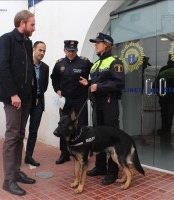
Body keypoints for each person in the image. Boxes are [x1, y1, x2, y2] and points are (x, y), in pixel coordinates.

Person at [0, 10, 36, 196]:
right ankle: (8, 180)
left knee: (20, 134)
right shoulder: (6, 39)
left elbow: (29, 71)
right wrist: (13, 93)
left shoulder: (28, 43)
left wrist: (32, 94)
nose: (34, 28)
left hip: (26, 97)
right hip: (13, 98)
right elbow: (2, 66)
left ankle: (17, 172)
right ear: (22, 23)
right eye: (32, 24)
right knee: (12, 135)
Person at [79, 32, 125, 185]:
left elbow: (119, 83)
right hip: (97, 104)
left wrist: (98, 86)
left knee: (111, 137)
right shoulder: (96, 64)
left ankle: (112, 172)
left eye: (97, 43)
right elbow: (96, 81)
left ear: (106, 44)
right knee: (97, 135)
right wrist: (89, 83)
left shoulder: (115, 61)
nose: (95, 45)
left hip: (109, 104)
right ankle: (100, 167)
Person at [51, 40, 92, 164]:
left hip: (80, 99)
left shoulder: (84, 62)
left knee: (82, 125)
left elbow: (95, 75)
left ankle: (84, 152)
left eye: (73, 51)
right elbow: (54, 78)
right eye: (68, 50)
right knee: (63, 126)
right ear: (64, 50)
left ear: (77, 51)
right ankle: (65, 153)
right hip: (65, 100)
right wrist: (57, 89)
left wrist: (89, 84)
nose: (71, 53)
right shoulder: (59, 64)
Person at [25, 41, 49, 167]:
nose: (42, 53)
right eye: (40, 50)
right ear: (33, 49)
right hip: (25, 102)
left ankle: (29, 156)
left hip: (38, 103)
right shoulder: (25, 64)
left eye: (44, 51)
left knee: (33, 131)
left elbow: (44, 86)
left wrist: (37, 97)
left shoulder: (45, 67)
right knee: (19, 131)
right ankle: (15, 157)